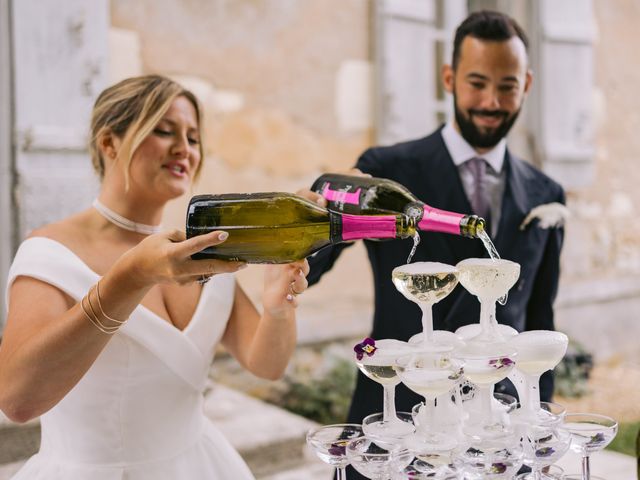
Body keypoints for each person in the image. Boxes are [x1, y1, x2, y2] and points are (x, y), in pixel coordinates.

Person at [0, 75, 309, 479]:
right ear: (109, 143)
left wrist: (277, 308)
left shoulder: (201, 251)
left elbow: (265, 364)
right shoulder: (48, 254)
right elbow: (18, 401)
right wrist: (129, 278)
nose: (184, 148)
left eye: (194, 138)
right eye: (164, 131)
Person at [304, 7, 565, 460]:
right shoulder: (388, 169)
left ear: (526, 84)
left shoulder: (547, 193)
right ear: (449, 78)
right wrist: (312, 217)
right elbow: (310, 265)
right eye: (477, 83)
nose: (491, 102)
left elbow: (539, 322)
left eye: (506, 86)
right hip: (400, 420)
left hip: (497, 427)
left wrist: (537, 430)